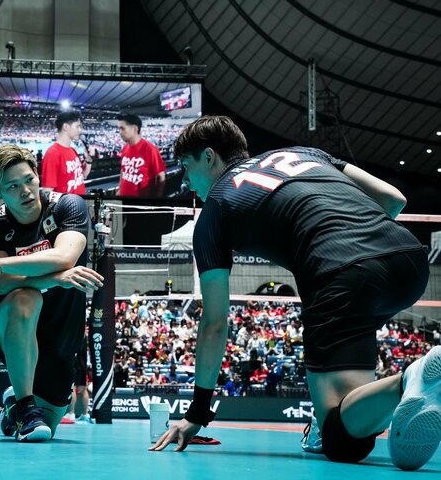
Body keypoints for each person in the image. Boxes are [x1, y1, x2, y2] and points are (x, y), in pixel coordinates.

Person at [149, 115, 436, 471]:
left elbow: (214, 323)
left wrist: (197, 413)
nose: (188, 182)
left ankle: (414, 378)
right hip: (409, 261)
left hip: (340, 273)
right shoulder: (305, 153)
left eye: (187, 167)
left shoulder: (215, 211)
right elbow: (394, 199)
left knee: (344, 441)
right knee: (352, 406)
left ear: (209, 158)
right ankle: (407, 388)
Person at [0, 145, 103, 442]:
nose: (25, 191)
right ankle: (26, 404)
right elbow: (4, 285)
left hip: (61, 333)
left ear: (37, 174)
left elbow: (65, 256)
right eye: (12, 186)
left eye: (29, 180)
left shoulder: (69, 205)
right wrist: (58, 279)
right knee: (25, 297)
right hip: (13, 324)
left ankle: (15, 404)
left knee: (48, 430)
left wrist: (0, 264)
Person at [40, 111, 91, 195]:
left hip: (79, 205)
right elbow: (47, 192)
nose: (80, 130)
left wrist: (89, 160)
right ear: (66, 127)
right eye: (77, 126)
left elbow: (83, 176)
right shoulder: (52, 154)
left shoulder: (73, 150)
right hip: (66, 207)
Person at [117, 113, 166, 197]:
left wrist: (157, 199)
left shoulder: (150, 149)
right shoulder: (125, 148)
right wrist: (119, 190)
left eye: (122, 128)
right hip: (123, 197)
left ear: (134, 129)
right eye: (119, 129)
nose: (120, 132)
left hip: (140, 201)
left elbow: (161, 176)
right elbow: (123, 171)